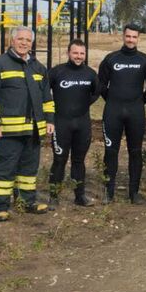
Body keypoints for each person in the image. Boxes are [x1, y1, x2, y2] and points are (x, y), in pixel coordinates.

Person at [0, 26, 54, 222]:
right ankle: (0, 207)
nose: (24, 43)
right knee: (3, 169)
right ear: (12, 41)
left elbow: (47, 98)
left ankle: (27, 202)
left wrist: (50, 120)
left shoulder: (38, 68)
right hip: (8, 131)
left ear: (32, 43)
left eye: (28, 40)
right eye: (20, 39)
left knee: (28, 170)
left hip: (33, 131)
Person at [98, 24, 146, 204]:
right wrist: (113, 100)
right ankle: (108, 192)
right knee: (110, 151)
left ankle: (134, 193)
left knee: (135, 152)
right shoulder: (111, 59)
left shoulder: (145, 60)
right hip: (113, 111)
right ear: (123, 36)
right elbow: (101, 86)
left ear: (138, 38)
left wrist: (138, 101)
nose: (131, 40)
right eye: (128, 36)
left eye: (134, 37)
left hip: (135, 112)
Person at [47, 39, 99, 209]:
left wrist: (83, 105)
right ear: (68, 53)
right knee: (59, 160)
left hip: (82, 124)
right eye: (75, 53)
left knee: (79, 161)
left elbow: (97, 93)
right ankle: (54, 197)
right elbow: (44, 92)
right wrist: (49, 115)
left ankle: (79, 196)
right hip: (61, 123)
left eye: (82, 53)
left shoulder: (90, 74)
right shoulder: (57, 72)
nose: (78, 56)